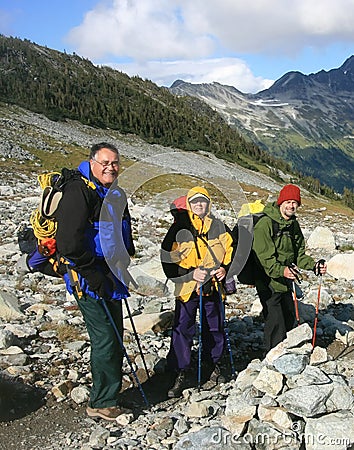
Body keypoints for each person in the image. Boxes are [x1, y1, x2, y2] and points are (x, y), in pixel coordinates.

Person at [54, 142, 135, 421]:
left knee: (114, 334)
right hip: (88, 276)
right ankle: (102, 402)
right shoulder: (79, 191)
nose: (110, 167)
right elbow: (69, 244)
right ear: (91, 162)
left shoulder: (113, 192)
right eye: (105, 162)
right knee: (105, 338)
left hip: (110, 273)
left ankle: (108, 393)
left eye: (115, 163)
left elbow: (123, 226)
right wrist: (93, 275)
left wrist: (126, 257)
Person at [161, 186, 235, 397]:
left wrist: (225, 269)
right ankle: (179, 370)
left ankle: (212, 363)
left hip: (212, 285)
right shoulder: (178, 228)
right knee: (183, 327)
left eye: (203, 201)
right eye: (195, 202)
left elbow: (233, 249)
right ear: (189, 205)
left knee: (214, 325)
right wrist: (190, 274)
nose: (199, 205)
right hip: (187, 287)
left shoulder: (220, 227)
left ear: (209, 204)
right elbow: (167, 260)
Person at [252, 184, 327, 352]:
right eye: (288, 202)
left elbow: (299, 254)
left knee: (288, 315)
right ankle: (271, 357)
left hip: (285, 277)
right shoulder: (265, 224)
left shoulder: (293, 225)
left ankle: (284, 351)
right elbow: (265, 257)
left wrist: (314, 266)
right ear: (280, 203)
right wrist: (282, 271)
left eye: (295, 202)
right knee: (275, 319)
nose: (291, 206)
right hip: (266, 277)